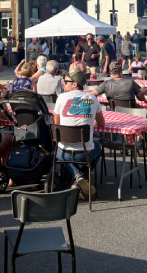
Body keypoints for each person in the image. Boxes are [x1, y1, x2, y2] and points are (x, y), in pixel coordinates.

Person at [54, 69, 104, 199]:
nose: (63, 83)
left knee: (59, 150)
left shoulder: (61, 98)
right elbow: (101, 123)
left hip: (64, 151)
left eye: (66, 81)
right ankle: (80, 178)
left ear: (74, 84)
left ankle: (77, 177)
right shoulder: (92, 98)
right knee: (98, 150)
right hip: (85, 152)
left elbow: (57, 124)